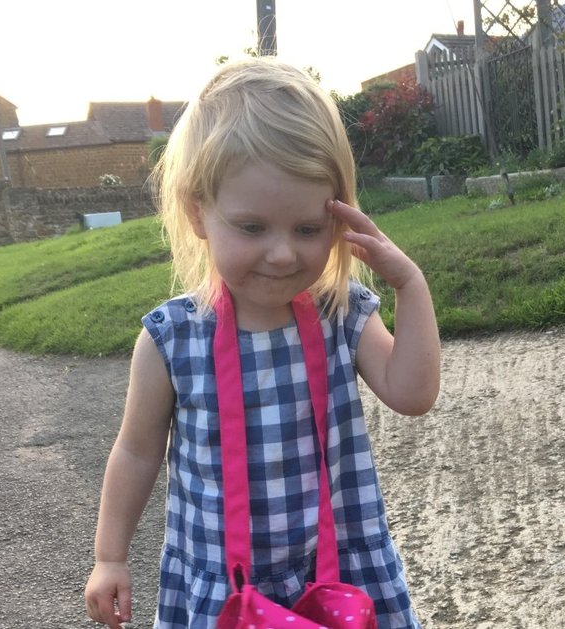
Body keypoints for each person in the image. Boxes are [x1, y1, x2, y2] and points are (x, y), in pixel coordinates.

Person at [84, 57, 440, 629]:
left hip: (339, 574)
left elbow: (413, 393)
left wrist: (410, 285)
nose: (282, 253)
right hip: (222, 586)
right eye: (252, 227)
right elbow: (136, 451)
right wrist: (110, 556)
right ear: (198, 213)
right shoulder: (172, 341)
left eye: (308, 229)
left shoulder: (341, 314)